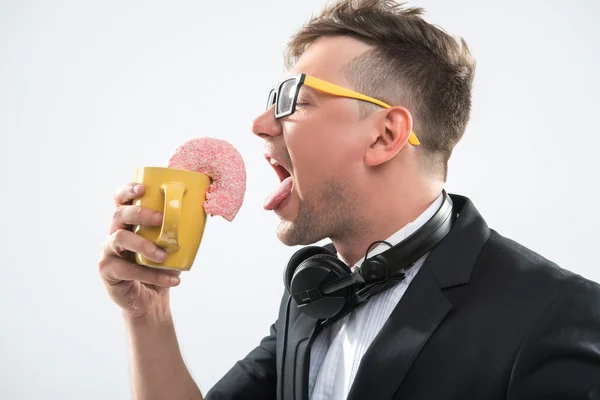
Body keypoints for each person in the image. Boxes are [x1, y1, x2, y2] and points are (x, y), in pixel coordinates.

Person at [98, 1, 600, 399]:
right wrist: (149, 314)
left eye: (293, 100)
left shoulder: (558, 314)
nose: (258, 124)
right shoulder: (312, 298)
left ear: (386, 135)